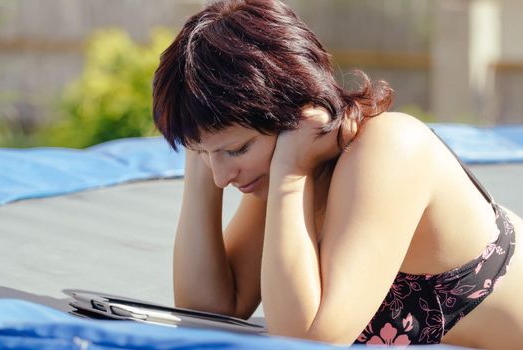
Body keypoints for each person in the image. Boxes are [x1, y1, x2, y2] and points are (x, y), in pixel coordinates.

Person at [152, 0, 523, 347]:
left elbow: (307, 342)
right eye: (205, 154)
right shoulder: (275, 171)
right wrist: (199, 153)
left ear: (294, 111)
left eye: (237, 149)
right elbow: (208, 313)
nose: (222, 176)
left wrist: (290, 174)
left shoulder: (390, 148)